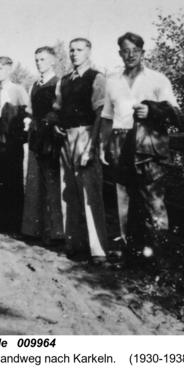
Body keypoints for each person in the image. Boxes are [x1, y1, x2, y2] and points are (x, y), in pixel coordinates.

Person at [100, 32, 184, 267]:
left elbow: (178, 117)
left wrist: (153, 112)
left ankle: (161, 265)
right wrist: (101, 146)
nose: (130, 55)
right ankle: (133, 258)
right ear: (120, 54)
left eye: (135, 50)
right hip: (119, 144)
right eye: (125, 50)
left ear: (142, 53)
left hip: (147, 146)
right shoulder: (112, 81)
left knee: (153, 203)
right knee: (127, 205)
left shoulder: (157, 80)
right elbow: (107, 117)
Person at [51, 38, 109, 265]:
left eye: (79, 50)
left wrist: (92, 146)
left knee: (90, 192)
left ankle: (98, 251)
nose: (74, 54)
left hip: (87, 135)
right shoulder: (64, 81)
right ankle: (75, 245)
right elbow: (57, 108)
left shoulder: (97, 77)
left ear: (89, 52)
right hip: (67, 137)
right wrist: (55, 121)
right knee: (69, 192)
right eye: (71, 50)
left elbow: (100, 114)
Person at [0, 56, 31, 235]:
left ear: (10, 70)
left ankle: (15, 224)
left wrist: (6, 113)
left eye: (1, 69)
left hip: (11, 142)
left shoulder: (18, 90)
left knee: (13, 180)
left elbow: (27, 112)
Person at [21, 47, 64, 243]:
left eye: (43, 59)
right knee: (34, 182)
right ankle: (34, 230)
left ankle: (56, 233)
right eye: (37, 59)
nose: (39, 63)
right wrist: (29, 120)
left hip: (52, 138)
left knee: (53, 184)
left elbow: (60, 111)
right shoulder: (34, 85)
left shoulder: (59, 83)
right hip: (35, 137)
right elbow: (30, 110)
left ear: (53, 61)